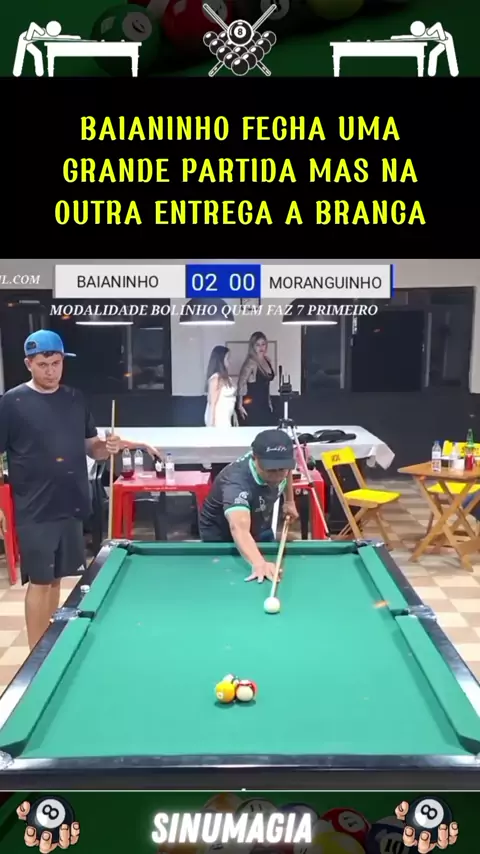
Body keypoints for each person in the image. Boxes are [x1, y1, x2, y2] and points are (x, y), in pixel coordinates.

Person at [0, 330, 158, 650]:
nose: (51, 371)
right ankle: (36, 657)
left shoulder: (74, 398)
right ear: (29, 364)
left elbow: (92, 448)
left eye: (56, 364)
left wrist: (107, 447)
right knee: (40, 580)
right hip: (34, 506)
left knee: (57, 578)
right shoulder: (12, 402)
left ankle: (49, 644)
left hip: (71, 501)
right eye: (43, 364)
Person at [199, 429, 299, 581]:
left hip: (258, 521)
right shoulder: (236, 483)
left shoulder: (281, 464)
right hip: (222, 537)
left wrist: (289, 501)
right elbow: (238, 528)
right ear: (254, 458)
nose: (277, 476)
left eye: (282, 468)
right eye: (271, 470)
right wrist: (259, 563)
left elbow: (287, 470)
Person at [237, 332, 275, 426]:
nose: (261, 347)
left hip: (265, 402)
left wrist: (269, 402)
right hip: (253, 403)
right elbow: (241, 383)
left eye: (263, 344)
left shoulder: (267, 360)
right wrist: (240, 405)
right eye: (257, 345)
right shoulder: (251, 362)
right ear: (253, 346)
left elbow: (266, 385)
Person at [204, 346, 237, 427]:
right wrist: (211, 424)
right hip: (218, 418)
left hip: (226, 416)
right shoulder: (215, 379)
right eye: (227, 358)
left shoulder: (226, 378)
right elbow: (212, 403)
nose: (230, 361)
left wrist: (234, 415)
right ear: (221, 360)